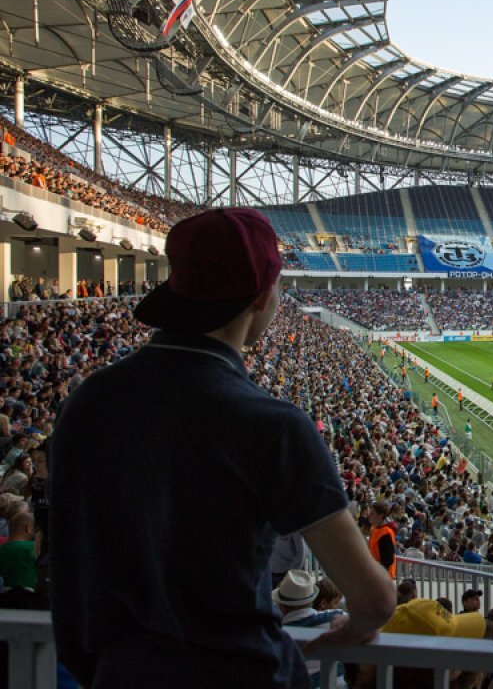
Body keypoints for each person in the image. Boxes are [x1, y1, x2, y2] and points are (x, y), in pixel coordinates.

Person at [50, 208, 395, 688]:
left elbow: (67, 567)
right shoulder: (274, 426)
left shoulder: (87, 401)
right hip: (239, 671)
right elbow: (375, 601)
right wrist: (351, 627)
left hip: (122, 672)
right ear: (261, 296)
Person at [368, 499, 397, 579]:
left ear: (380, 515)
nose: (369, 515)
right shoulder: (374, 529)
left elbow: (387, 560)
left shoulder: (386, 533)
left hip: (382, 576)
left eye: (372, 513)